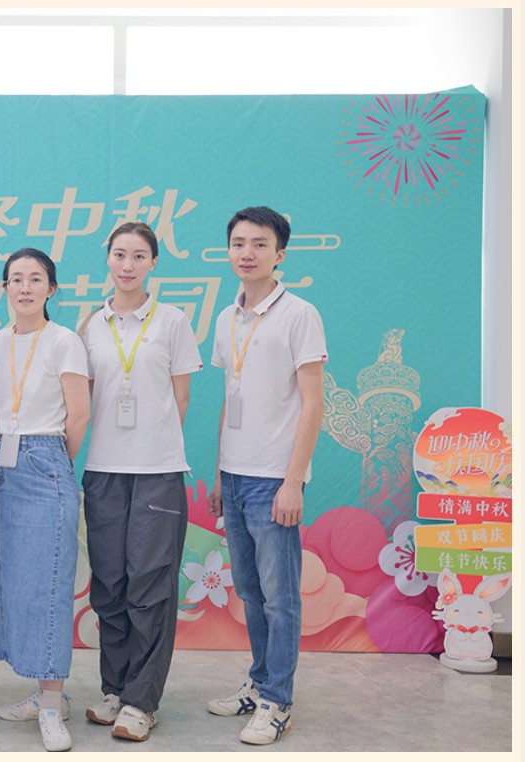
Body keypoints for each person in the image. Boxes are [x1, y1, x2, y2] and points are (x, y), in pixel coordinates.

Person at [77, 221, 202, 742]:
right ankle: (115, 689)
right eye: (119, 254)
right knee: (109, 585)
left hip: (156, 472)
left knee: (150, 588)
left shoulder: (172, 321)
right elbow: (82, 399)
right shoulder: (90, 324)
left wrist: (153, 445)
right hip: (103, 470)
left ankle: (141, 702)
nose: (127, 265)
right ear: (108, 258)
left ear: (153, 263)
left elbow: (181, 397)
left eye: (139, 256)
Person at [205, 206, 327, 745]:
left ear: (280, 253)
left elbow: (313, 403)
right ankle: (259, 684)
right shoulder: (226, 317)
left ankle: (278, 701)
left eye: (259, 244)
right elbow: (230, 399)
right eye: (238, 243)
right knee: (251, 594)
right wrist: (218, 473)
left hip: (274, 479)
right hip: (234, 476)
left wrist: (293, 480)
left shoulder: (300, 313)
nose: (247, 253)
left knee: (280, 599)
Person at [0, 249, 90, 752]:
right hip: (2, 459)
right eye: (16, 279)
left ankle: (51, 705)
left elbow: (79, 415)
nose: (25, 288)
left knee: (49, 585)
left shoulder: (65, 341)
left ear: (51, 289)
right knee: (14, 581)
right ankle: (42, 693)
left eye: (35, 279)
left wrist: (52, 462)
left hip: (46, 460)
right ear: (4, 288)